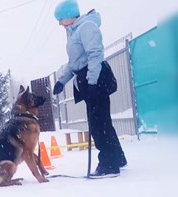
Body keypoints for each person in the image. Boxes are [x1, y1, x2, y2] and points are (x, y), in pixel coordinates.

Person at [52, 0, 127, 178]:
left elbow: (95, 55)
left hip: (95, 79)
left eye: (60, 19)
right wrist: (62, 81)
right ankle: (117, 158)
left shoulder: (86, 27)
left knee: (98, 124)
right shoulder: (74, 31)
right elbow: (75, 62)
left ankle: (109, 165)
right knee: (102, 121)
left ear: (70, 16)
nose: (59, 23)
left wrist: (93, 82)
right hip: (88, 79)